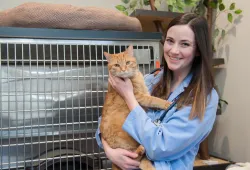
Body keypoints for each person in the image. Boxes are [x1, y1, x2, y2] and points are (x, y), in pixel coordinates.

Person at [95, 12, 219, 170]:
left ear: (198, 50)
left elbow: (159, 147)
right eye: (170, 41)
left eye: (185, 44)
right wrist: (110, 152)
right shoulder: (150, 80)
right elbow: (104, 122)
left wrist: (129, 97)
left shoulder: (203, 98)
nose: (174, 50)